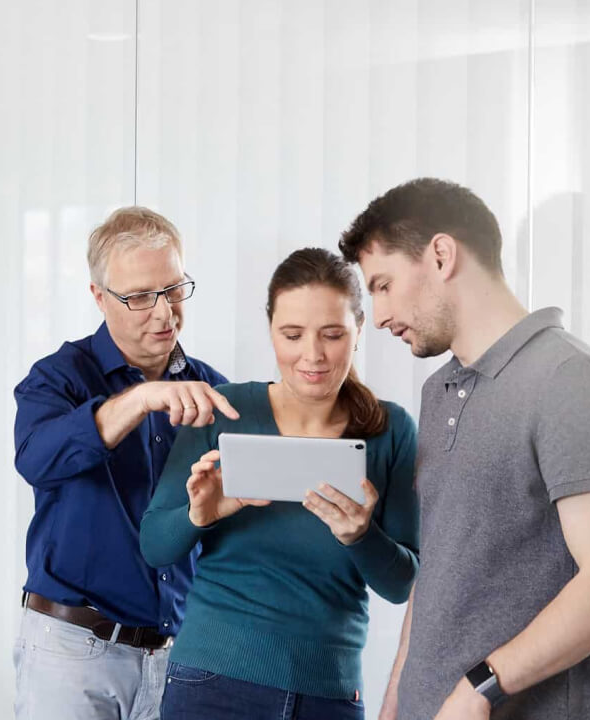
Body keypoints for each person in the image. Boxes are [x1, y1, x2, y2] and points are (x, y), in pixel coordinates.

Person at [340, 178, 590, 720]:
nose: (379, 315)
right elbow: (438, 573)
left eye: (383, 285)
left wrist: (481, 687)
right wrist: (394, 705)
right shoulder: (439, 392)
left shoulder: (570, 380)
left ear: (440, 254)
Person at [141, 247, 420, 720]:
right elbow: (154, 546)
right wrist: (198, 516)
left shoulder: (390, 431)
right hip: (212, 683)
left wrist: (360, 536)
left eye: (332, 334)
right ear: (271, 331)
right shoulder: (224, 411)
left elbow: (401, 584)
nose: (312, 355)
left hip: (328, 693)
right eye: (292, 335)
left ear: (357, 333)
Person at [12, 206, 236, 720]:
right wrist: (140, 400)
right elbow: (37, 459)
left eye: (174, 290)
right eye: (138, 297)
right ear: (98, 297)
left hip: (178, 655)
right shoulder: (57, 379)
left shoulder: (213, 391)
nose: (164, 313)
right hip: (71, 653)